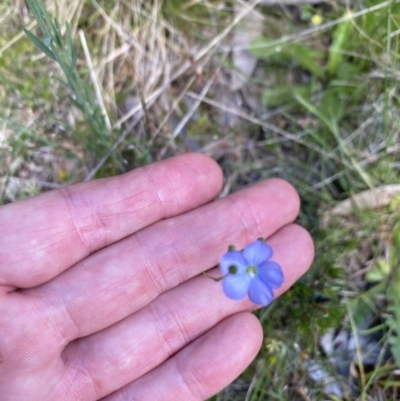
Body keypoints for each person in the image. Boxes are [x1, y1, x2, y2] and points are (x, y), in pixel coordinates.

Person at [0, 153, 314, 400]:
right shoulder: (242, 265)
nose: (249, 270)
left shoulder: (254, 272)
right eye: (247, 267)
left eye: (249, 269)